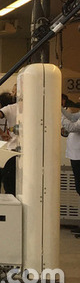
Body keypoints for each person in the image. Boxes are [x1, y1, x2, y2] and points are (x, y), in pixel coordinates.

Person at [61, 95, 80, 236]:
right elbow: (72, 117)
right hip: (75, 156)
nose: (78, 97)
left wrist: (59, 116)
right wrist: (59, 108)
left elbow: (72, 126)